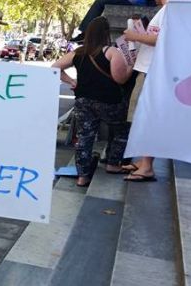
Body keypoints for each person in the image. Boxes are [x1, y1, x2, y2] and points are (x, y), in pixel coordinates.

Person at [52, 17, 132, 187]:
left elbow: (55, 67)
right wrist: (130, 66)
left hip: (83, 101)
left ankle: (83, 176)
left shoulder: (78, 53)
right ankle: (113, 163)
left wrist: (71, 82)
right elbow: (120, 79)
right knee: (121, 130)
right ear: (106, 33)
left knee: (84, 137)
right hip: (109, 102)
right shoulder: (111, 52)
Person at [120, 0, 178, 182]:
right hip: (150, 70)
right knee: (142, 117)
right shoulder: (168, 10)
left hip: (154, 72)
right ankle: (143, 162)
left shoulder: (172, 9)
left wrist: (134, 35)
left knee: (148, 117)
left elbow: (162, 39)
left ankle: (147, 166)